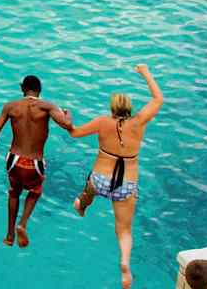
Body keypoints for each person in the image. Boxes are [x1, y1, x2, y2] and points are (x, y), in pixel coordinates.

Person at [69, 64, 164, 289]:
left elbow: (73, 132)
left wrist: (66, 119)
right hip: (125, 185)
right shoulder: (139, 122)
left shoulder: (102, 122)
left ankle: (82, 206)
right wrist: (145, 72)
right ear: (129, 108)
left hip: (100, 179)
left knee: (88, 190)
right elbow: (159, 99)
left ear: (112, 108)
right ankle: (124, 263)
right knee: (123, 230)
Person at [0, 75, 73, 248]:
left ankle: (9, 235)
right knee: (35, 190)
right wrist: (67, 114)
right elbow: (67, 125)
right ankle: (23, 223)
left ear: (22, 89)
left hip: (13, 160)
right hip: (34, 162)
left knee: (14, 192)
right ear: (39, 90)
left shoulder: (10, 107)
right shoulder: (47, 106)